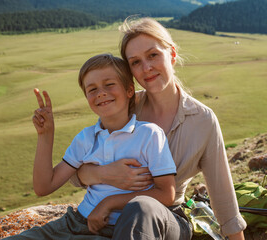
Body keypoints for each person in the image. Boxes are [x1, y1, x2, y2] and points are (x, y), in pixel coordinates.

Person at [74, 18, 247, 239]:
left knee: (142, 207)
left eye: (153, 55)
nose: (146, 68)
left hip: (167, 219)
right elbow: (77, 172)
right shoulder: (125, 108)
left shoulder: (203, 120)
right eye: (135, 62)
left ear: (172, 54)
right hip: (111, 219)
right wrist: (104, 173)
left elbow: (223, 197)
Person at [5, 53, 177, 239]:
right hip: (77, 222)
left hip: (124, 229)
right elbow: (43, 187)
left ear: (129, 90)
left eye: (109, 84)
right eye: (92, 89)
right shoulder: (85, 138)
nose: (101, 93)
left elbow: (166, 193)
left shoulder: (149, 134)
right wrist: (45, 135)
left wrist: (108, 203)